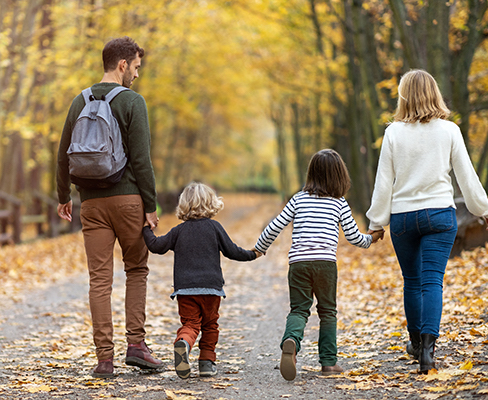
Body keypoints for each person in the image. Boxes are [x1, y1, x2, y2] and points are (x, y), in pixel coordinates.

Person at [366, 69, 488, 374]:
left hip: (404, 217)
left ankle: (416, 343)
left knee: (412, 281)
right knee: (432, 281)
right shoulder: (449, 131)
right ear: (435, 93)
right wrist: (481, 208)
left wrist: (377, 222)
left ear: (404, 96)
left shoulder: (393, 131)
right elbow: (466, 176)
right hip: (439, 215)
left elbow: (384, 182)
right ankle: (429, 352)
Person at [56, 36, 162, 378]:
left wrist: (63, 197)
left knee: (99, 280)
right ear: (122, 64)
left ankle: (104, 359)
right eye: (136, 67)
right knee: (136, 270)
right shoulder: (132, 101)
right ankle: (136, 346)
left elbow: (63, 156)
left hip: (91, 204)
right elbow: (142, 160)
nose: (136, 74)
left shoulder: (79, 101)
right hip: (129, 200)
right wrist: (150, 204)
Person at [254, 149, 383, 381]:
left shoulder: (298, 199)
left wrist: (260, 247)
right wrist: (371, 238)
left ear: (311, 174)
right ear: (339, 176)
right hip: (325, 264)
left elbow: (275, 226)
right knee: (327, 312)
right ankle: (328, 363)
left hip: (299, 264)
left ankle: (291, 340)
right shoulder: (339, 203)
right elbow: (354, 237)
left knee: (299, 309)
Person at [142, 182, 260, 379]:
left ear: (184, 205)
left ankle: (184, 342)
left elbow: (156, 246)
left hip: (186, 291)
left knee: (190, 323)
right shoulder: (215, 228)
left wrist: (146, 228)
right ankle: (206, 363)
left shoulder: (178, 231)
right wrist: (253, 254)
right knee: (210, 325)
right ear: (210, 204)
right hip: (211, 290)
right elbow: (233, 251)